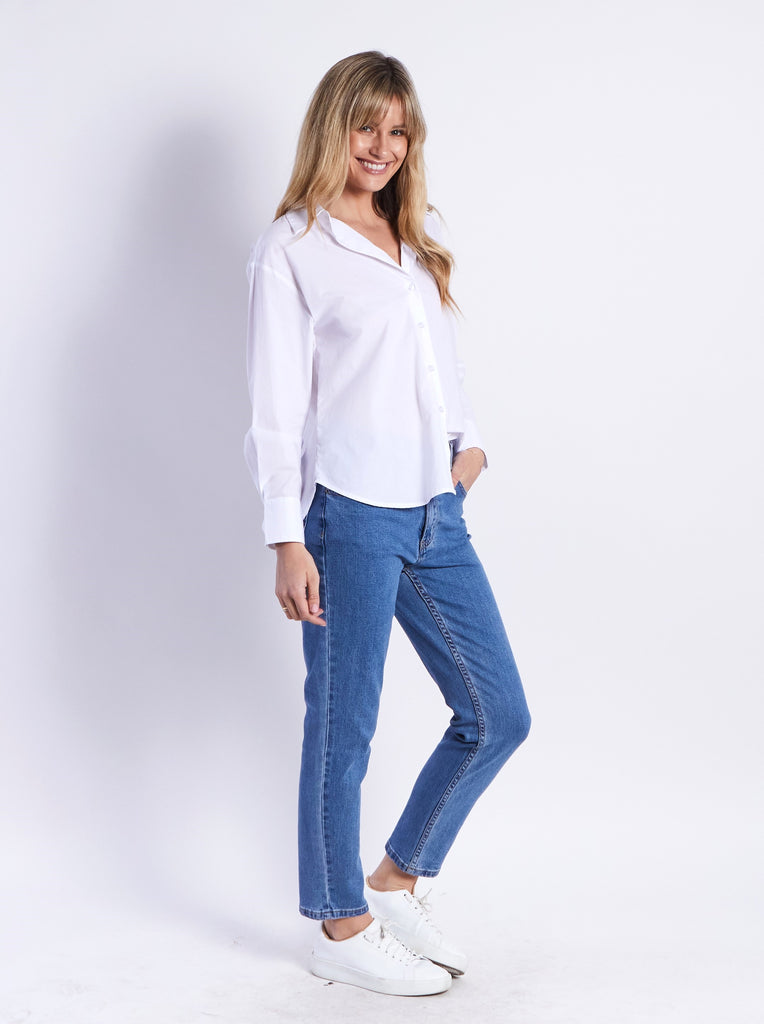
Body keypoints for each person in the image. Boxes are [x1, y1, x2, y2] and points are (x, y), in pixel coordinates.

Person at [244, 51, 531, 997]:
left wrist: (468, 444)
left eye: (398, 130)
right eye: (366, 125)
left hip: (434, 512)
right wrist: (287, 536)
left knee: (497, 715)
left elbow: (438, 365)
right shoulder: (293, 247)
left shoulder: (417, 234)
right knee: (345, 725)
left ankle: (396, 879)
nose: (382, 146)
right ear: (335, 126)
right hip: (348, 515)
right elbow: (277, 407)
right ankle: (339, 923)